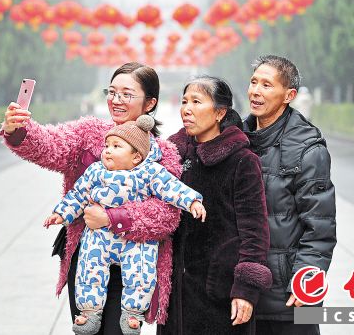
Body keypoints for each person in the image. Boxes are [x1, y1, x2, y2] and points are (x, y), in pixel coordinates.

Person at [1, 62, 183, 334]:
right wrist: (19, 130)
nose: (116, 100)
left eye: (127, 94)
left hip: (134, 269)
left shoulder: (163, 153)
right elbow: (52, 145)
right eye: (112, 92)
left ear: (150, 103)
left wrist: (110, 218)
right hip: (88, 262)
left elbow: (166, 216)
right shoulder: (88, 134)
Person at [44, 115, 206, 335]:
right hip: (99, 238)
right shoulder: (96, 172)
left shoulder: (149, 172)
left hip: (134, 242)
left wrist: (193, 201)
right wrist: (60, 213)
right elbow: (78, 194)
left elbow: (172, 188)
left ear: (137, 156)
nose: (107, 150)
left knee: (141, 273)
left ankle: (132, 313)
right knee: (89, 269)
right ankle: (90, 312)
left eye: (116, 146)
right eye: (107, 145)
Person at [161, 75, 272, 335]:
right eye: (185, 101)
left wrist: (245, 289)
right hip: (177, 291)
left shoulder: (242, 161)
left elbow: (255, 232)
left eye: (197, 102)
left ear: (220, 112)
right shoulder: (173, 156)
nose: (186, 109)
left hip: (221, 292)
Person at [243, 55, 336, 335]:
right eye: (254, 82)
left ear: (289, 95)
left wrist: (305, 280)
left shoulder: (308, 149)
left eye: (267, 85)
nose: (256, 91)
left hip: (288, 295)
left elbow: (320, 227)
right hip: (242, 294)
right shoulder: (235, 141)